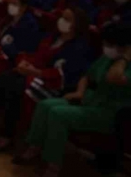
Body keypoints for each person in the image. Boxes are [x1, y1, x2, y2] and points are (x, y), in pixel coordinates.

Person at [0, 8, 92, 152]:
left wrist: (36, 72)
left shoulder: (79, 48)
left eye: (67, 19)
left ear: (77, 25)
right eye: (62, 17)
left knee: (17, 90)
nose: (62, 21)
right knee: (1, 80)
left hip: (51, 83)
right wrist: (26, 64)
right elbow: (37, 56)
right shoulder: (52, 37)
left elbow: (67, 74)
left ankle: (6, 135)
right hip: (33, 73)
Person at [14, 23, 131, 177]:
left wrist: (125, 58)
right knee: (44, 105)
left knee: (58, 114)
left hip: (108, 112)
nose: (105, 47)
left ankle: (53, 166)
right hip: (89, 101)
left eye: (109, 44)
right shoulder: (106, 57)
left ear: (122, 47)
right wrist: (79, 92)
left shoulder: (124, 64)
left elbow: (113, 77)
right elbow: (86, 75)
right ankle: (34, 148)